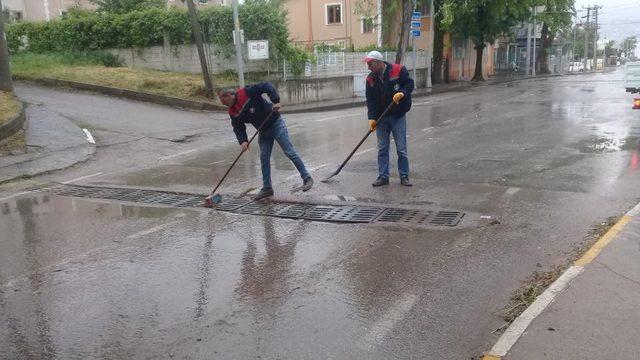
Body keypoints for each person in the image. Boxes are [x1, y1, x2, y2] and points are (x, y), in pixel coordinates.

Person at [218, 83, 313, 200]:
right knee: (264, 157)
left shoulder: (246, 92)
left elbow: (266, 86)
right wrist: (243, 141)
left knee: (289, 151)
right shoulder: (232, 112)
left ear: (228, 95)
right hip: (263, 130)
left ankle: (307, 178)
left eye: (223, 101)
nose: (223, 104)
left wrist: (276, 100)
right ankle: (267, 188)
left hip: (275, 123)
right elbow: (238, 127)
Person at [364, 50, 415, 187]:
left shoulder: (398, 70)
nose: (368, 67)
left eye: (370, 64)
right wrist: (372, 118)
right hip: (381, 119)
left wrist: (402, 93)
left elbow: (409, 84)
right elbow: (370, 101)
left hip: (397, 116)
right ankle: (383, 176)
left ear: (378, 62)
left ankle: (404, 176)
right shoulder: (370, 79)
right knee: (382, 148)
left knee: (401, 149)